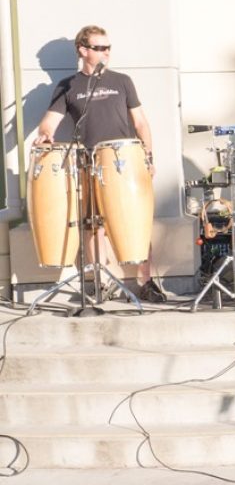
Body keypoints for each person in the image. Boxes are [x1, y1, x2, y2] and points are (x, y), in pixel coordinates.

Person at [34, 24, 164, 303]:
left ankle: (147, 281)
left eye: (108, 47)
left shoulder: (122, 81)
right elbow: (50, 121)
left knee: (136, 221)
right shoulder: (68, 86)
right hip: (89, 163)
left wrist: (148, 157)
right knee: (94, 224)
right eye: (100, 48)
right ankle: (100, 282)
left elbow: (140, 122)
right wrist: (44, 133)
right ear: (83, 50)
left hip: (125, 160)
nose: (107, 53)